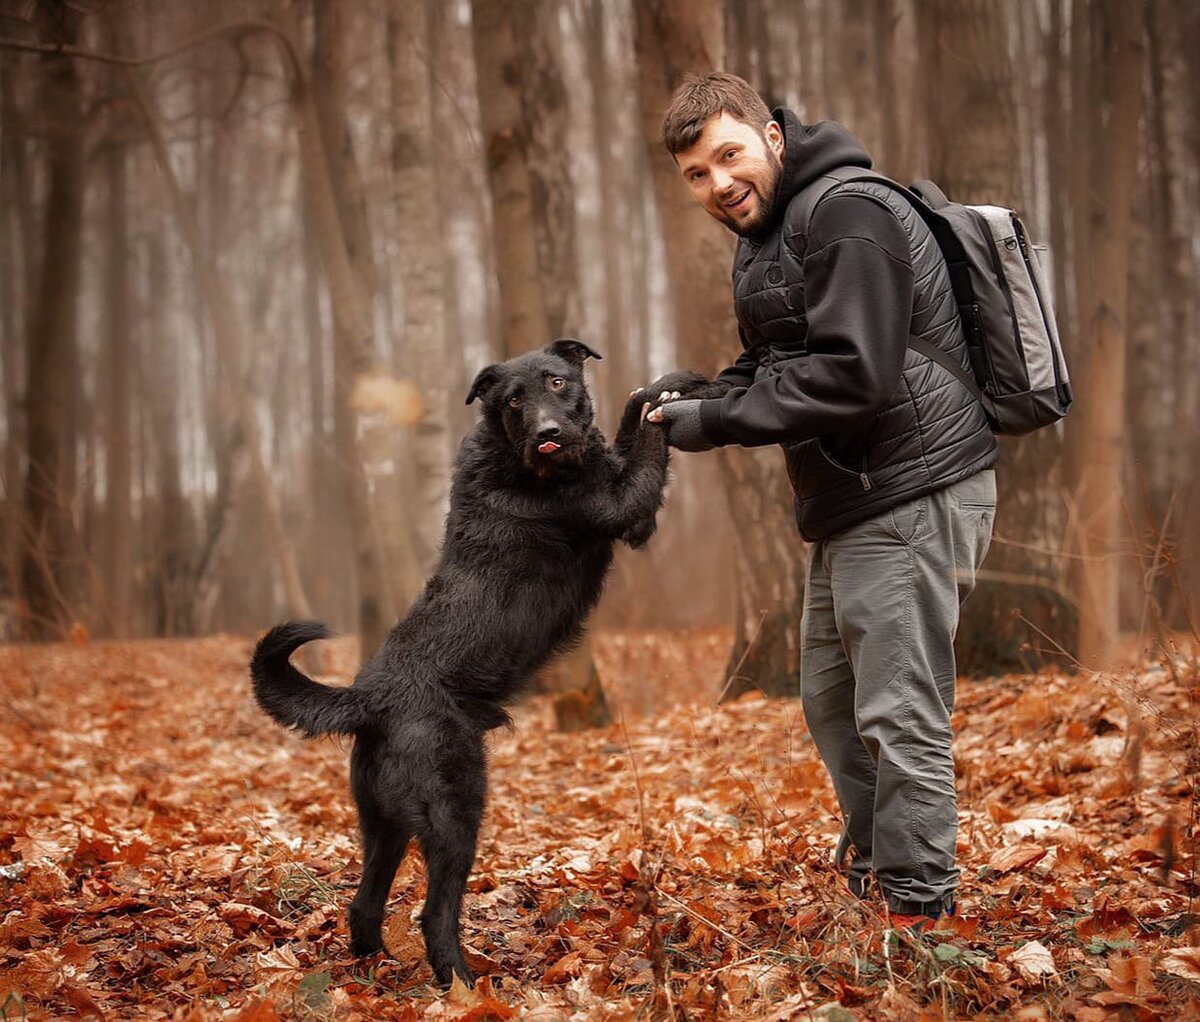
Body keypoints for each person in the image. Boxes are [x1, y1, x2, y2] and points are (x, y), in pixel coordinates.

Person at [645, 72, 998, 926]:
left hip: (915, 486)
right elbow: (780, 360)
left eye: (729, 156)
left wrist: (719, 420)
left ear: (771, 135)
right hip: (854, 497)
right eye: (697, 174)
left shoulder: (848, 212)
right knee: (834, 706)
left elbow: (854, 374)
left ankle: (919, 917)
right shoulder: (770, 233)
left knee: (896, 708)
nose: (719, 185)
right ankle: (885, 874)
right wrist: (697, 394)